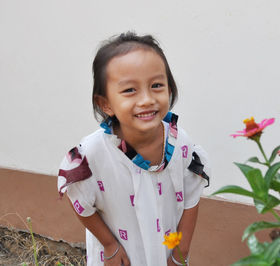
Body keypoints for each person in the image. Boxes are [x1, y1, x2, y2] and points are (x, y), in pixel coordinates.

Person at [57, 32, 210, 266]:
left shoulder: (182, 145)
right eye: (130, 90)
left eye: (156, 85)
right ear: (106, 103)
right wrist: (109, 244)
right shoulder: (93, 153)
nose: (147, 99)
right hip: (122, 257)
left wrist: (180, 253)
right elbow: (79, 199)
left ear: (169, 90)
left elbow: (191, 200)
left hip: (165, 254)